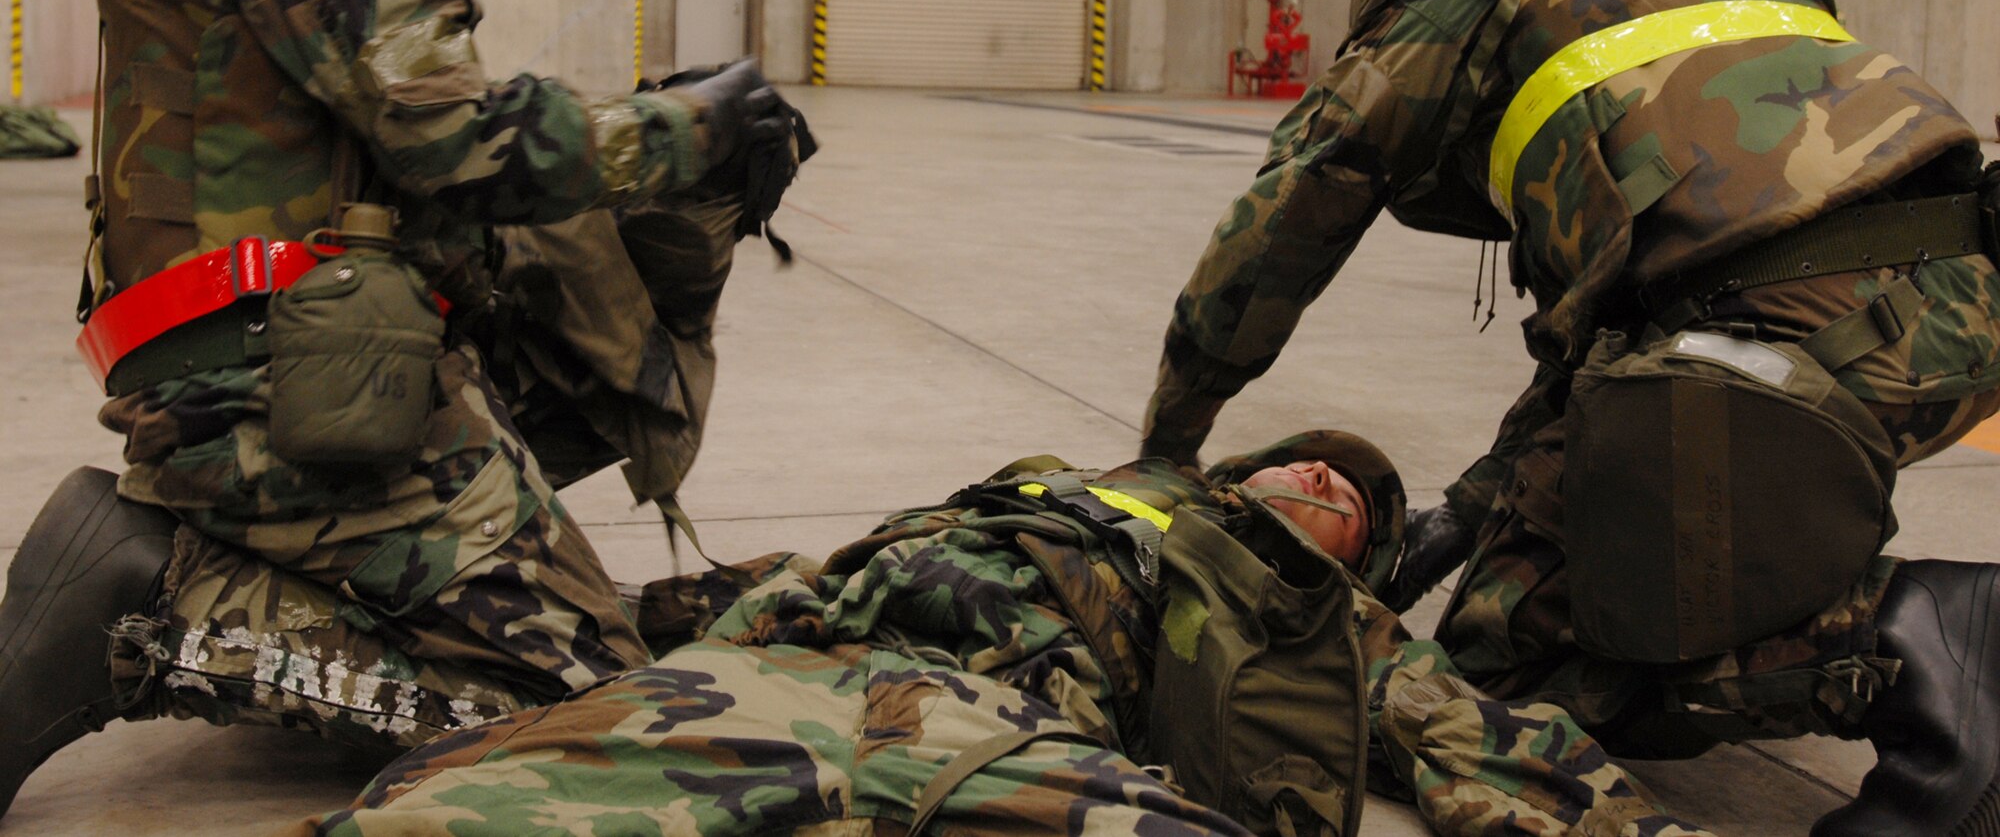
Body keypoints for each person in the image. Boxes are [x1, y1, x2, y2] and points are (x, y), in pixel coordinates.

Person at [0, 0, 797, 816]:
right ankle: (163, 606)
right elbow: (459, 141)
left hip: (269, 345)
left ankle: (409, 571)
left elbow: (397, 147)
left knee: (587, 345)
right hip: (272, 387)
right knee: (598, 725)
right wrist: (695, 130)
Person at [1141, 0, 2000, 837]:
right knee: (1561, 563)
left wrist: (1169, 445)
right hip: (1958, 304)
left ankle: (1911, 637)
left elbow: (1287, 216)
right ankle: (1797, 591)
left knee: (1501, 666)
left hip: (1802, 326)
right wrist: (1462, 517)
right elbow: (1589, 374)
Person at [284, 431, 1723, 837]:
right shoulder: (1076, 484)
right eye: (1312, 458)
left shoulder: (1327, 615)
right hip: (778, 670)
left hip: (1009, 734)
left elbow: (1499, 750)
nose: (1330, 477)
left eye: (1359, 498)